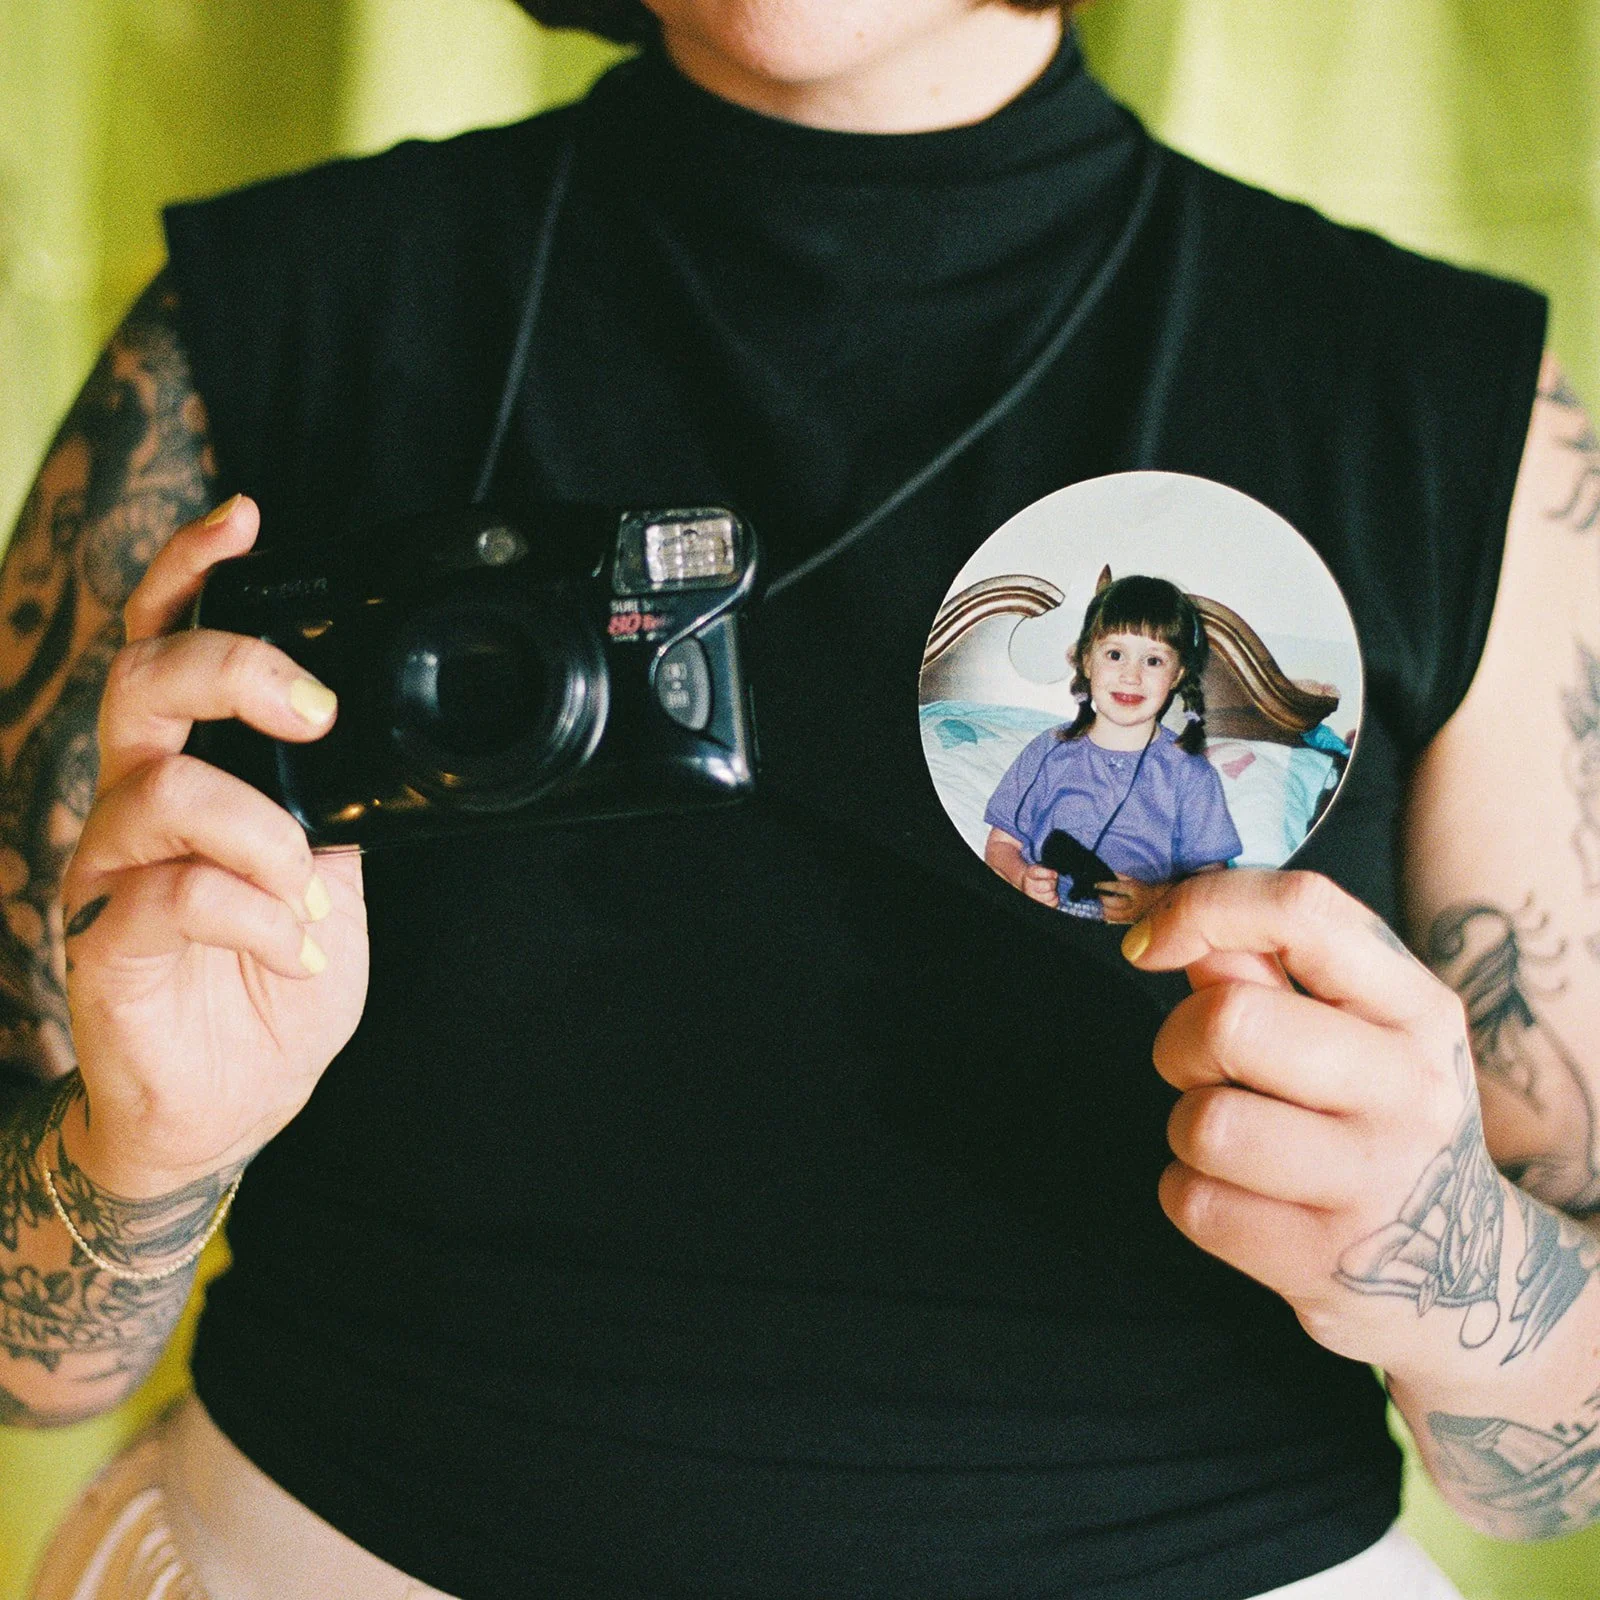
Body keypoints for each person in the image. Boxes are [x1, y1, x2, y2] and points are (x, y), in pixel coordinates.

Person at [4, 0, 1600, 1595]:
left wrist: (1447, 1253)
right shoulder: (261, 322)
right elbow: (26, 1368)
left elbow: (1561, 1475)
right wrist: (138, 1156)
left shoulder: (1457, 409)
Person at [982, 573, 1241, 921]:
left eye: (1153, 661)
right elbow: (1000, 845)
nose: (1131, 676)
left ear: (1177, 675)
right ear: (1087, 661)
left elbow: (1211, 878)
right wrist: (1021, 877)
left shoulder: (1190, 774)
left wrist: (1154, 898)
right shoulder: (1048, 750)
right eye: (1115, 654)